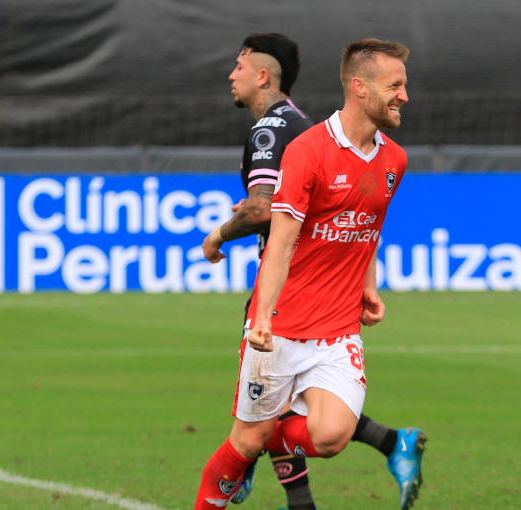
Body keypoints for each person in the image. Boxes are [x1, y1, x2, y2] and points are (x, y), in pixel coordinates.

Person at [197, 36, 425, 510]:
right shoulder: (308, 149)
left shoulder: (394, 160)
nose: (405, 95)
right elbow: (278, 244)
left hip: (337, 330)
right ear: (359, 88)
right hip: (279, 327)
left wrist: (369, 285)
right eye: (396, 85)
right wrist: (261, 317)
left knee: (331, 436)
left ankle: (287, 472)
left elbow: (369, 225)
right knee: (246, 441)